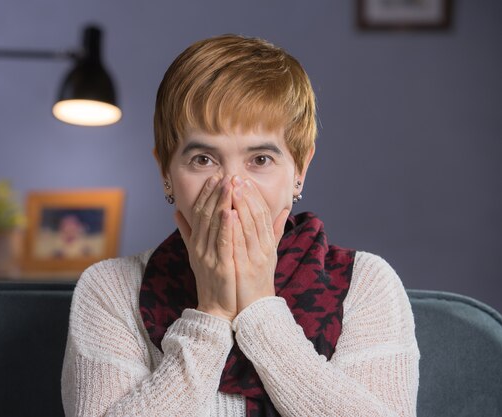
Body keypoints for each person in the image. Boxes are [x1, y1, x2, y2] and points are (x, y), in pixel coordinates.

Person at [61, 34, 419, 417]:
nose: (231, 188)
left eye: (260, 159)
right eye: (203, 159)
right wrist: (212, 312)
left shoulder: (366, 284)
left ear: (300, 169)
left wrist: (260, 307)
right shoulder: (110, 289)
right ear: (166, 171)